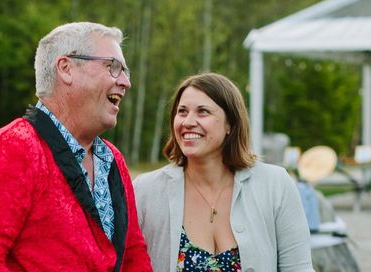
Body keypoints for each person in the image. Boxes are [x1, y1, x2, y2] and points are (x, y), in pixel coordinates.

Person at [0, 22, 152, 271]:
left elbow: (132, 255)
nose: (126, 82)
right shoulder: (12, 147)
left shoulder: (112, 158)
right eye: (114, 67)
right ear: (66, 69)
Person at [133, 72, 313, 272]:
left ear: (230, 124)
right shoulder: (146, 191)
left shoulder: (275, 185)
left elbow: (298, 268)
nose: (188, 121)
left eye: (202, 112)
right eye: (182, 111)